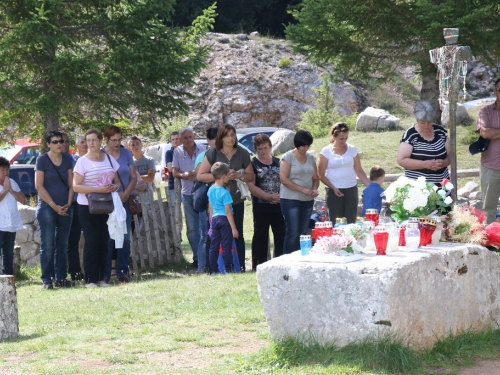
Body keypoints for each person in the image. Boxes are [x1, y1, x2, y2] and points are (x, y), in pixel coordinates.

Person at [197, 124, 254, 271]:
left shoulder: (242, 153)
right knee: (215, 236)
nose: (231, 138)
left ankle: (239, 265)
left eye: (233, 135)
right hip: (217, 204)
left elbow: (250, 176)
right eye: (227, 135)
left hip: (236, 200)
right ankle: (214, 267)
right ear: (220, 138)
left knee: (237, 233)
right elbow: (200, 175)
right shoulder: (212, 153)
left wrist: (239, 175)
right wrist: (221, 176)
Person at [73, 129, 120, 288]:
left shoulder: (109, 158)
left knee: (104, 241)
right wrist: (97, 190)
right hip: (87, 206)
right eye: (88, 140)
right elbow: (76, 186)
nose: (91, 143)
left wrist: (114, 186)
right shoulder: (82, 162)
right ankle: (90, 279)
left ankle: (102, 278)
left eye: (94, 140)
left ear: (101, 141)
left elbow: (117, 182)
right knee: (91, 241)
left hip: (105, 205)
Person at [35, 131, 74, 289]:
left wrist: (69, 203)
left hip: (66, 207)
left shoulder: (68, 158)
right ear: (48, 144)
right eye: (56, 141)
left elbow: (72, 185)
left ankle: (61, 278)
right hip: (47, 208)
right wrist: (54, 206)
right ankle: (47, 279)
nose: (60, 144)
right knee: (48, 245)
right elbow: (39, 186)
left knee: (63, 244)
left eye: (62, 141)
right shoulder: (42, 159)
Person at [103, 126, 137, 283]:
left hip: (124, 199)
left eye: (119, 139)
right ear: (106, 139)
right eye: (113, 140)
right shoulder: (101, 154)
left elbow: (133, 177)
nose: (117, 143)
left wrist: (125, 193)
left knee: (125, 237)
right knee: (108, 238)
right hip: (107, 201)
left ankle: (123, 273)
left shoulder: (126, 153)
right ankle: (106, 274)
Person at [318, 123, 370, 224]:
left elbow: (359, 171)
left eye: (346, 138)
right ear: (334, 136)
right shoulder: (325, 151)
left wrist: (370, 185)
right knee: (336, 222)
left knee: (351, 221)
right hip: (334, 191)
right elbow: (321, 175)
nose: (344, 141)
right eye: (341, 138)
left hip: (351, 190)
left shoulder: (352, 149)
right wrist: (333, 188)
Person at [247, 134, 285, 270]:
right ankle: (259, 265)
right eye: (259, 149)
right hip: (261, 206)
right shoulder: (252, 164)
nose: (263, 151)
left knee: (281, 236)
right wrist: (267, 197)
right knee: (260, 237)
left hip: (279, 206)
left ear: (270, 147)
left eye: (265, 148)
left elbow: (285, 181)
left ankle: (281, 264)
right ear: (255, 149)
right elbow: (251, 185)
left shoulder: (279, 162)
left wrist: (280, 196)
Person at [280, 130, 319, 254]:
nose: (305, 148)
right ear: (297, 144)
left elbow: (316, 178)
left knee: (303, 231)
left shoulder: (311, 158)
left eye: (308, 145)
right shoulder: (288, 157)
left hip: (307, 200)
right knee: (292, 232)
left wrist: (314, 189)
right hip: (290, 199)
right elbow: (284, 179)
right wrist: (303, 190)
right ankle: (288, 259)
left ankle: (302, 256)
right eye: (303, 146)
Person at [172, 128, 207, 268]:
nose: (188, 140)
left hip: (203, 192)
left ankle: (207, 256)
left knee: (205, 226)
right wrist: (184, 175)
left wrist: (198, 175)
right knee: (192, 228)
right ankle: (198, 258)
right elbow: (174, 171)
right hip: (187, 193)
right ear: (180, 139)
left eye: (190, 137)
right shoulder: (177, 151)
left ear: (194, 137)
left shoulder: (203, 149)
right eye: (185, 138)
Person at [397, 101, 451, 184]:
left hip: (443, 186)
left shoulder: (441, 131)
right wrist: (425, 164)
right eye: (423, 123)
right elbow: (401, 160)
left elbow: (451, 154)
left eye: (429, 122)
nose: (426, 126)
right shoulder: (410, 135)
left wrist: (443, 163)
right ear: (417, 120)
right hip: (418, 188)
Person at [194, 127, 218, 273]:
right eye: (213, 138)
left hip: (219, 201)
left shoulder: (223, 154)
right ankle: (202, 267)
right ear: (208, 140)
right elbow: (199, 176)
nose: (216, 141)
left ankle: (215, 265)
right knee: (205, 235)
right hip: (205, 201)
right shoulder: (202, 156)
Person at [207, 162, 238, 275]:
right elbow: (228, 211)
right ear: (224, 176)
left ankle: (213, 270)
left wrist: (211, 223)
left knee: (214, 246)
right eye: (228, 174)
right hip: (225, 220)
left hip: (215, 219)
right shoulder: (225, 193)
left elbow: (210, 207)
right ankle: (228, 270)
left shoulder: (210, 190)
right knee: (226, 246)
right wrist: (234, 229)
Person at [476, 78, 500, 224]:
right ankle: (489, 243)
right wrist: (491, 133)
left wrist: (495, 133)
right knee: (488, 208)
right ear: (495, 92)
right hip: (491, 167)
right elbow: (485, 133)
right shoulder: (486, 111)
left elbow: (491, 133)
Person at [64, 134, 87, 281]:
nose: (85, 144)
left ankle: (95, 269)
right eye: (82, 142)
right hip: (75, 203)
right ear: (77, 146)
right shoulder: (71, 161)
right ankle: (75, 271)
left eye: (87, 142)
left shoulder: (96, 159)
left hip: (93, 203)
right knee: (73, 239)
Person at [0, 157, 25, 277]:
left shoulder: (12, 182)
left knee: (8, 252)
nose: (6, 172)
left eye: (7, 169)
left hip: (11, 224)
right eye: (3, 169)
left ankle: (8, 277)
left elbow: (23, 199)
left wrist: (10, 189)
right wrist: (5, 190)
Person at [165, 131, 180, 204]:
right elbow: (170, 168)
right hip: (173, 184)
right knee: (175, 210)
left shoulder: (186, 151)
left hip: (187, 185)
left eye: (177, 139)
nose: (175, 141)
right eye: (173, 139)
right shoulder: (169, 153)